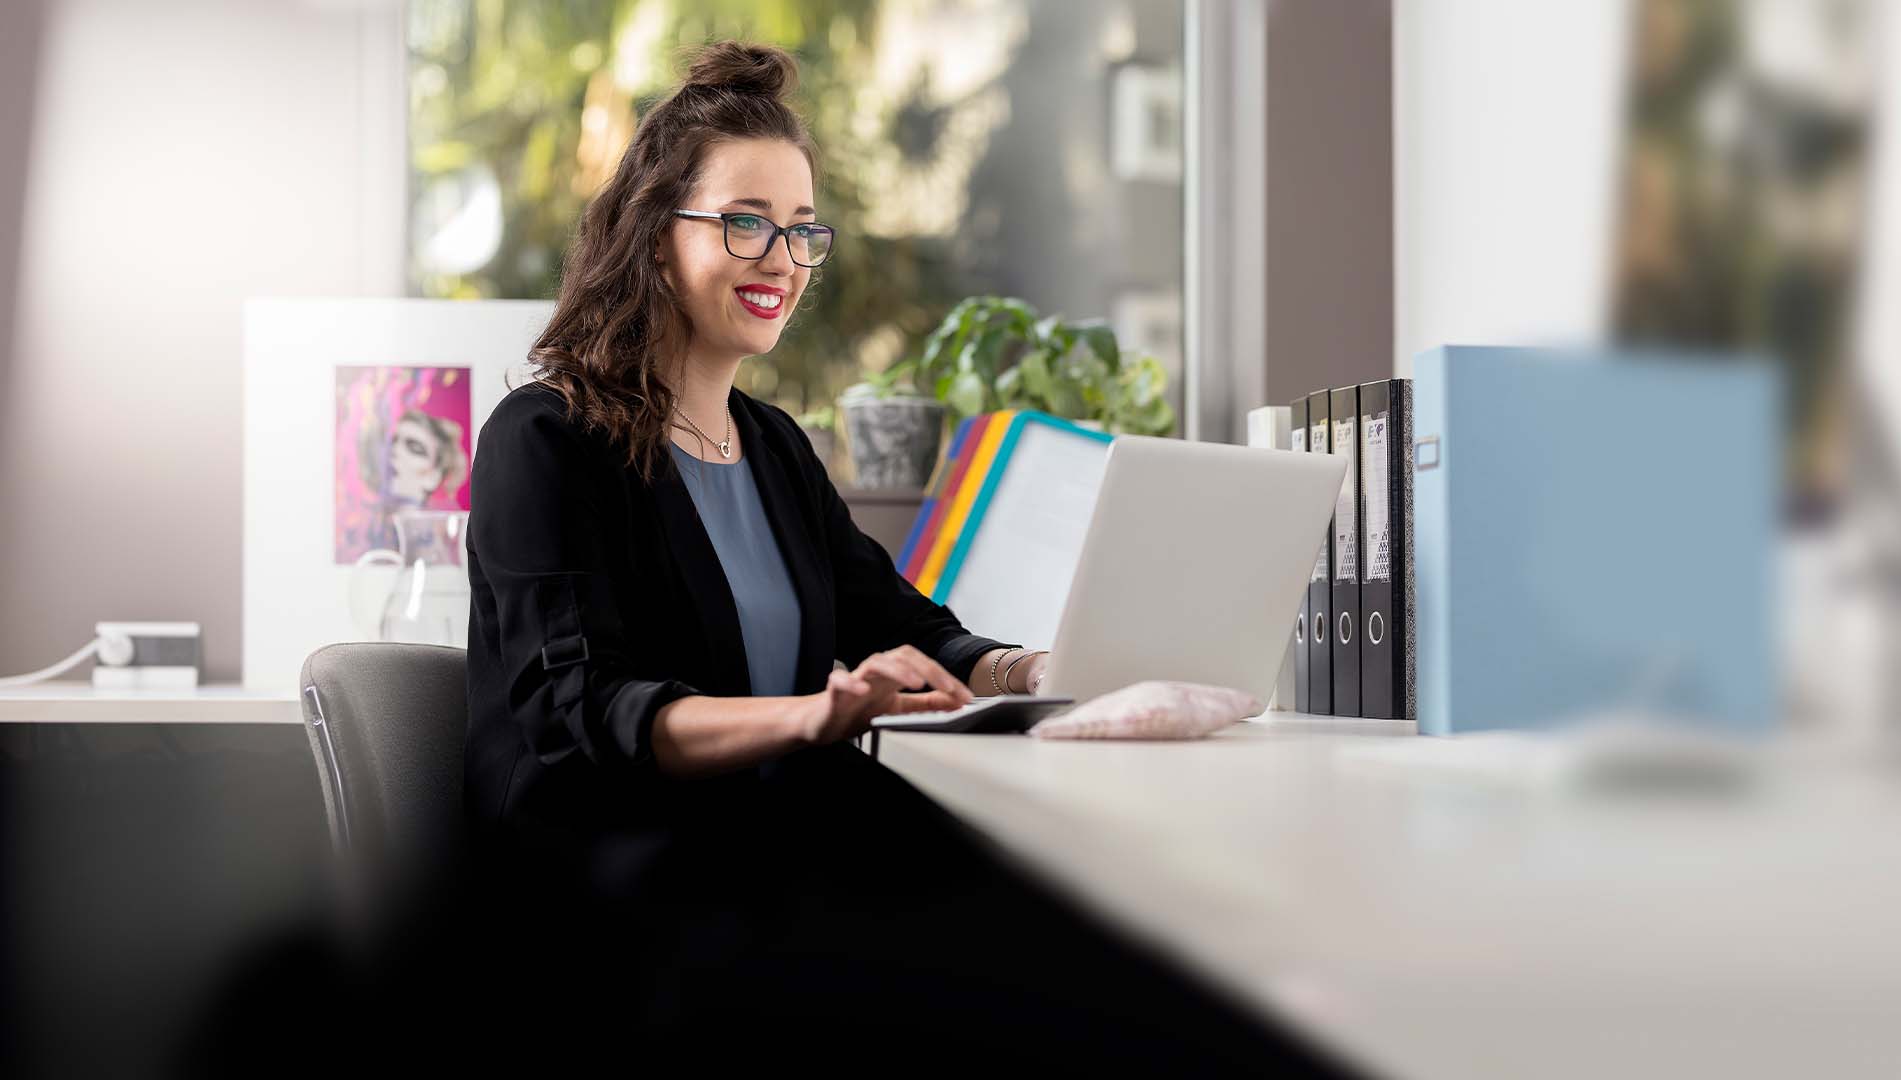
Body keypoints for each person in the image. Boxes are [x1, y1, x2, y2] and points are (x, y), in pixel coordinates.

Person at [447, 40, 1342, 1075]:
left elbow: (899, 621)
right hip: (600, 890)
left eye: (800, 230)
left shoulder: (773, 446)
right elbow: (578, 714)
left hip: (756, 855)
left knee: (1077, 928)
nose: (781, 259)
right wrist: (817, 715)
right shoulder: (546, 438)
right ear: (655, 239)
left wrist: (1034, 669)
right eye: (745, 222)